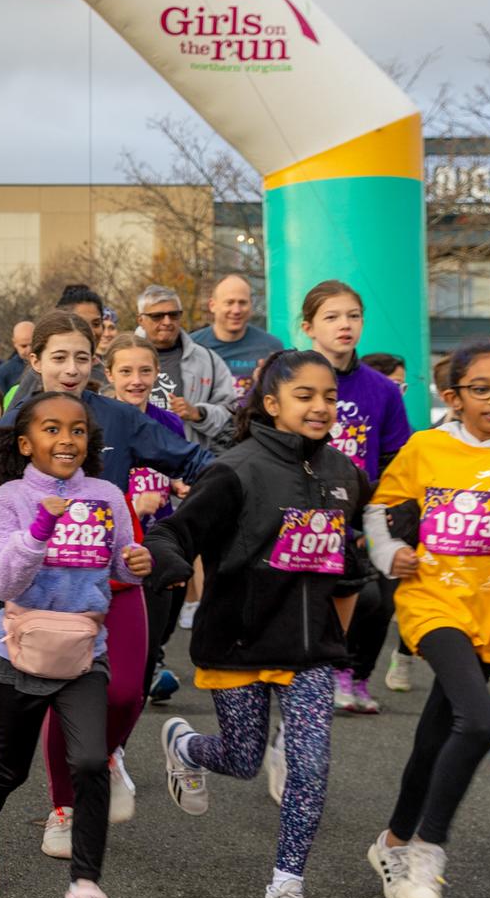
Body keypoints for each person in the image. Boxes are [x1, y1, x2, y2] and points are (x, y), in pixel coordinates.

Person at [0, 312, 215, 862]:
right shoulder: (19, 419)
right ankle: (63, 810)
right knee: (54, 691)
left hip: (115, 580)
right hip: (37, 587)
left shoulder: (119, 418)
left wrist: (184, 528)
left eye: (82, 358)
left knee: (127, 693)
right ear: (35, 361)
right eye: (58, 357)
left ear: (96, 362)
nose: (70, 369)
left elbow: (199, 462)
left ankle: (104, 757)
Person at [146, 349, 371, 898]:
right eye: (305, 396)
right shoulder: (236, 470)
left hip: (312, 651)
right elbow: (173, 531)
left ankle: (287, 890)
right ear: (272, 404)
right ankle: (187, 746)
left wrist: (344, 630)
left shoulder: (345, 473)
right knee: (244, 759)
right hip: (241, 641)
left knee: (310, 766)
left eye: (328, 396)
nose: (320, 406)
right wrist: (167, 568)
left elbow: (348, 560)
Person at [364, 340, 490, 898]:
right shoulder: (427, 447)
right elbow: (381, 507)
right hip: (431, 601)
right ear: (453, 396)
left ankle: (393, 843)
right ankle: (428, 846)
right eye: (481, 389)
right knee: (476, 721)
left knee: (437, 730)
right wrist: (389, 551)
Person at [0, 391, 148, 898]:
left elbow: (123, 569)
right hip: (19, 651)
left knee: (90, 761)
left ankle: (85, 891)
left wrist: (138, 564)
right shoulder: (10, 498)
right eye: (53, 430)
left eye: (78, 431)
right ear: (26, 442)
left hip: (86, 651)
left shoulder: (107, 494)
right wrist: (40, 528)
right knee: (10, 768)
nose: (67, 441)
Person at [300, 280, 411, 714]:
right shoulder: (289, 374)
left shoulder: (381, 389)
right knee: (336, 597)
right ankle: (315, 672)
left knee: (380, 599)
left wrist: (377, 518)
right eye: (331, 317)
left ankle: (356, 675)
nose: (344, 325)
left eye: (353, 316)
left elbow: (394, 457)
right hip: (303, 510)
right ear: (309, 326)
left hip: (364, 509)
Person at [98, 335, 191, 706]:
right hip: (111, 539)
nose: (136, 380)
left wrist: (181, 483)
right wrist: (133, 506)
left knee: (174, 590)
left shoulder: (168, 421)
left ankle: (154, 655)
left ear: (156, 373)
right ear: (109, 374)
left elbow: (178, 465)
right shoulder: (97, 421)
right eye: (126, 371)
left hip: (161, 532)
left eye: (144, 371)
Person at [135, 285, 236, 451]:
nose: (167, 322)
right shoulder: (121, 357)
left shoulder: (207, 360)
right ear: (141, 320)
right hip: (136, 465)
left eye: (174, 315)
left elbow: (229, 411)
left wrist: (199, 413)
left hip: (188, 464)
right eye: (157, 316)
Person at [190, 274, 284, 404]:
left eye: (242, 302)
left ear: (251, 305)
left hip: (252, 423)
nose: (236, 310)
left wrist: (265, 382)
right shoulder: (192, 346)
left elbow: (281, 397)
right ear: (212, 305)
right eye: (229, 302)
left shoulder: (271, 347)